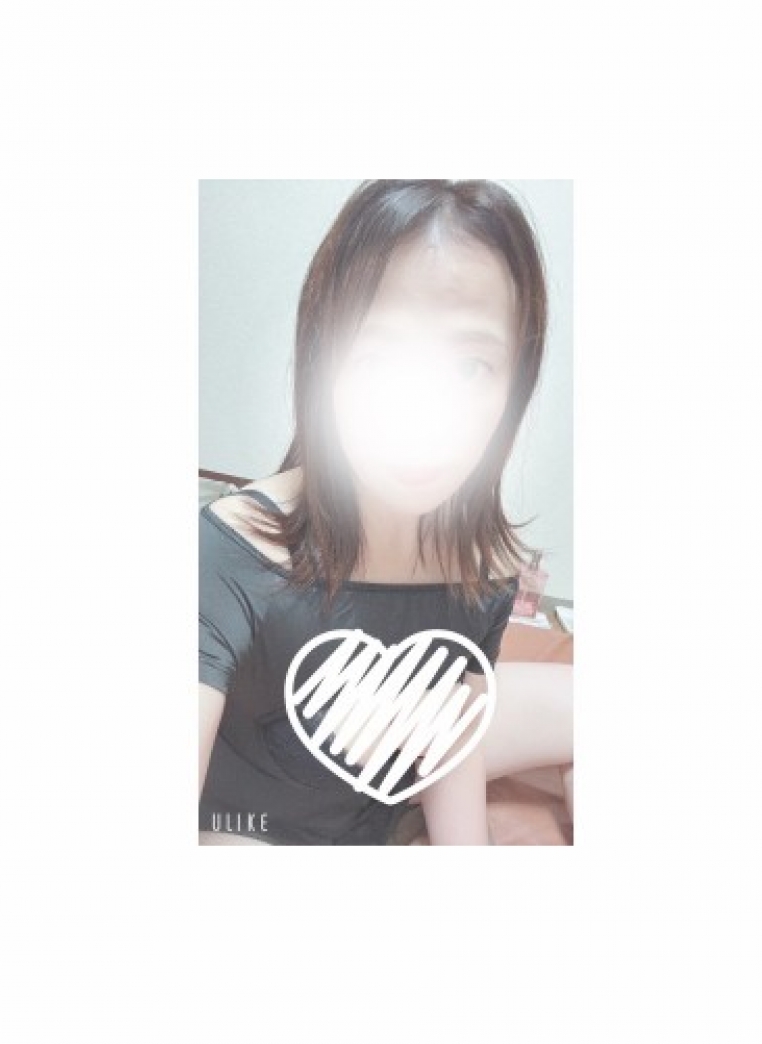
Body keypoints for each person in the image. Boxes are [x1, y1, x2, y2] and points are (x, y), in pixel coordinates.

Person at [199, 179, 572, 846]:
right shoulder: (227, 557)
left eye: (471, 367)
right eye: (379, 356)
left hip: (378, 772)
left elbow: (450, 730)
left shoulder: (483, 567)